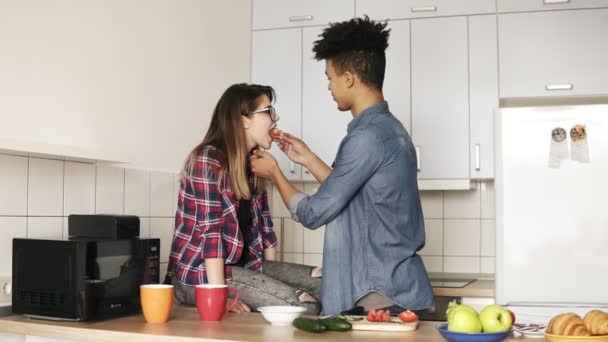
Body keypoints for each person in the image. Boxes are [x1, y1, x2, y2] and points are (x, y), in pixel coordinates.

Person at [250, 17, 435, 316]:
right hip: (397, 290)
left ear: (348, 78)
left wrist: (275, 175)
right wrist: (308, 158)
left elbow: (313, 213)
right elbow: (352, 195)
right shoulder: (389, 130)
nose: (329, 86)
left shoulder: (366, 138)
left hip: (378, 297)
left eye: (330, 77)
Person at [165, 83, 321, 314]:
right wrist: (218, 297)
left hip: (245, 269)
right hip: (198, 276)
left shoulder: (255, 165)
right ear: (243, 120)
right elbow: (212, 235)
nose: (275, 119)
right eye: (268, 111)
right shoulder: (207, 160)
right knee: (304, 306)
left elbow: (265, 231)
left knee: (326, 285)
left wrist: (275, 283)